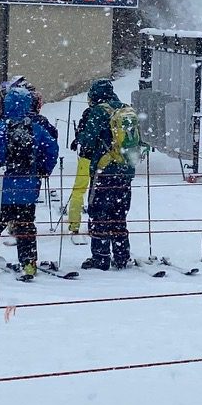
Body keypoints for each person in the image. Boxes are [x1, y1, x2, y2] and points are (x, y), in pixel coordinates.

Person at [0, 82, 59, 278]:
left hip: (1, 187)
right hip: (27, 189)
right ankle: (28, 262)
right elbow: (52, 149)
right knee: (25, 226)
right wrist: (44, 169)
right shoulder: (36, 129)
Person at [71, 78, 138, 270]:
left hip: (104, 170)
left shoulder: (98, 112)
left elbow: (88, 140)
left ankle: (101, 258)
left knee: (99, 213)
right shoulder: (126, 109)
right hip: (125, 171)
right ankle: (122, 255)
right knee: (119, 213)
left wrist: (81, 138)